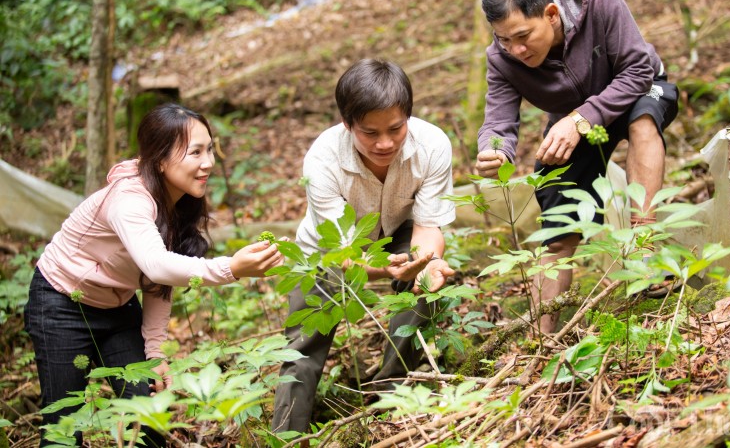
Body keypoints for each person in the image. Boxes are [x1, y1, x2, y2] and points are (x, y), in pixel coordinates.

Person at [24, 103, 285, 447]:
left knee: (146, 417)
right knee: (63, 428)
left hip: (117, 307)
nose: (207, 162)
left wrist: (156, 351)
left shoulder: (179, 201)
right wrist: (230, 268)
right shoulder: (130, 199)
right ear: (160, 160)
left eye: (209, 149)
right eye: (194, 152)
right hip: (61, 302)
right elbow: (156, 264)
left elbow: (158, 283)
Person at [475, 0, 679, 331]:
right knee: (554, 200)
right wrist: (497, 151)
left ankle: (645, 252)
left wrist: (582, 118)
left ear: (551, 15)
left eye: (523, 36)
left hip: (637, 90)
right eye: (504, 39)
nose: (515, 50)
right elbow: (498, 122)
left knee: (642, 122)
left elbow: (637, 70)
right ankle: (542, 336)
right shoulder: (501, 59)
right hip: (573, 119)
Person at [271, 58, 457, 435]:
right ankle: (286, 436)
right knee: (304, 345)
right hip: (328, 249)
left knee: (424, 288)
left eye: (395, 128)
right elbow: (343, 252)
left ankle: (385, 394)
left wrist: (428, 262)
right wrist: (383, 268)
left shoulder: (433, 145)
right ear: (347, 124)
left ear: (408, 115)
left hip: (399, 230)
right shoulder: (323, 159)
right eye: (369, 133)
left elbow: (426, 225)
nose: (385, 143)